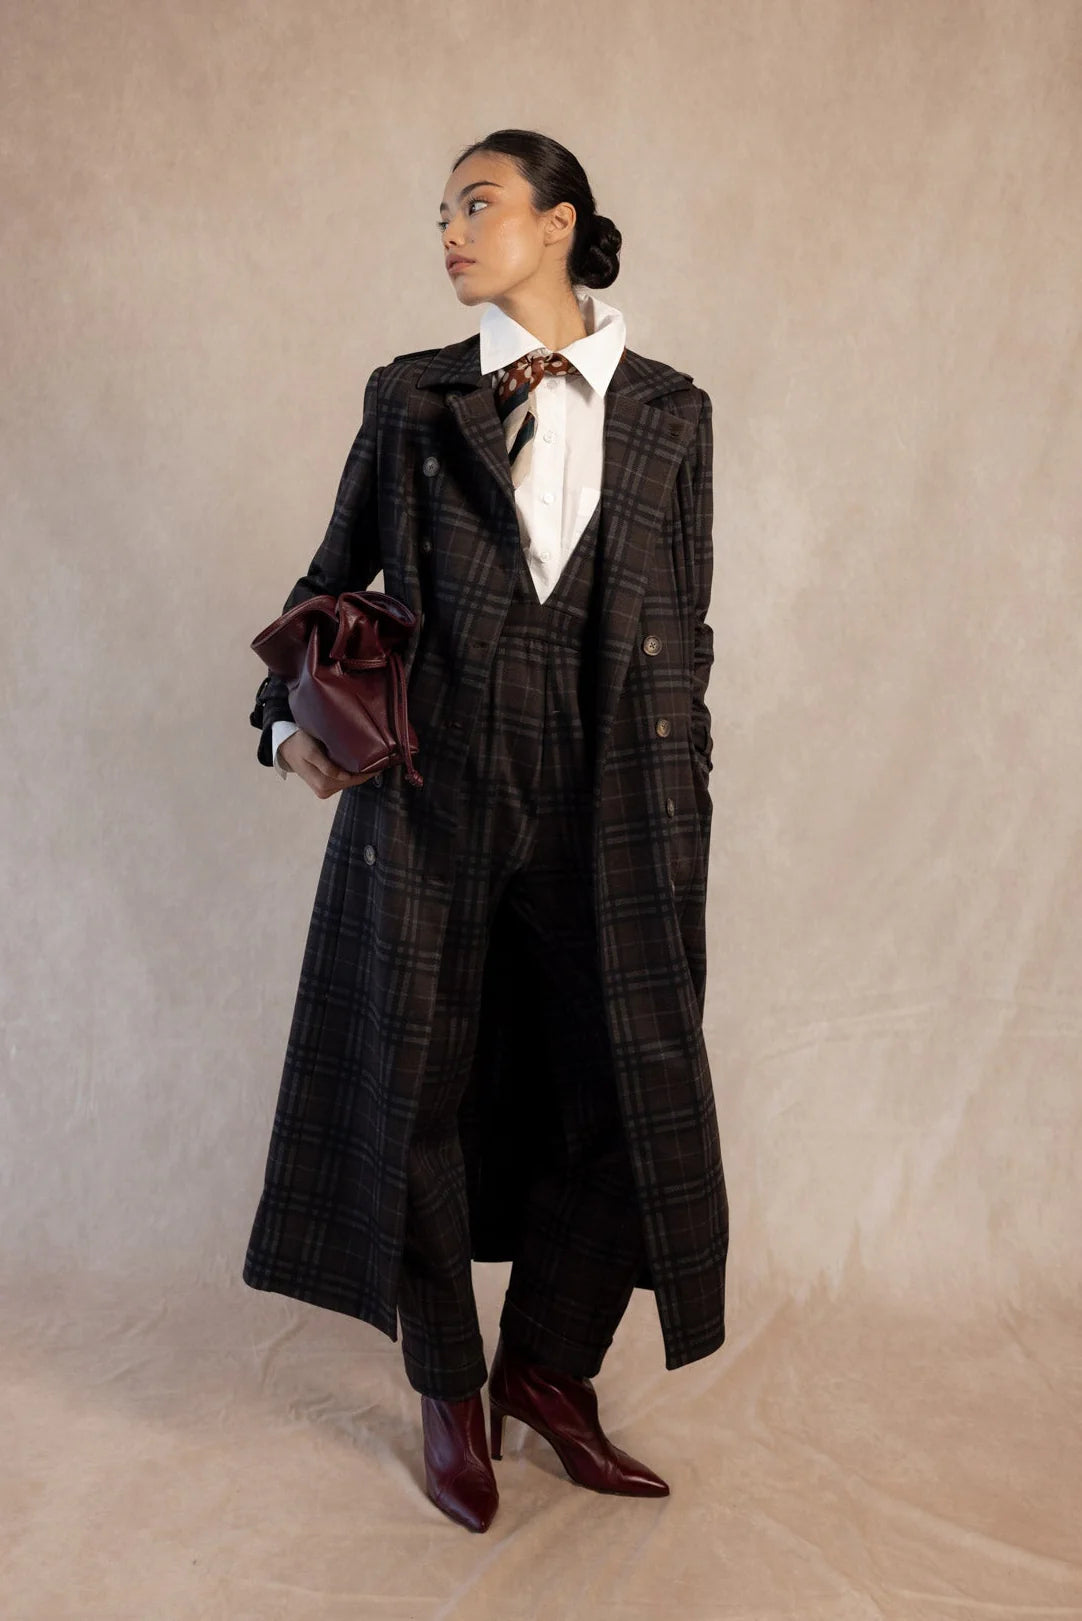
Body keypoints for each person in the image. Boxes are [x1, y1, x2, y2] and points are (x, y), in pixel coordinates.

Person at [244, 128, 729, 1534]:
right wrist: (286, 726)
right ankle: (450, 1385)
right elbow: (329, 577)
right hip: (434, 789)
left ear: (559, 222)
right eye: (441, 213)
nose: (450, 232)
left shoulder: (672, 411)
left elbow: (687, 624)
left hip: (615, 798)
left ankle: (547, 1368)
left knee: (622, 1087)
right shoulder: (413, 397)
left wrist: (687, 779)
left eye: (478, 203)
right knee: (415, 1084)